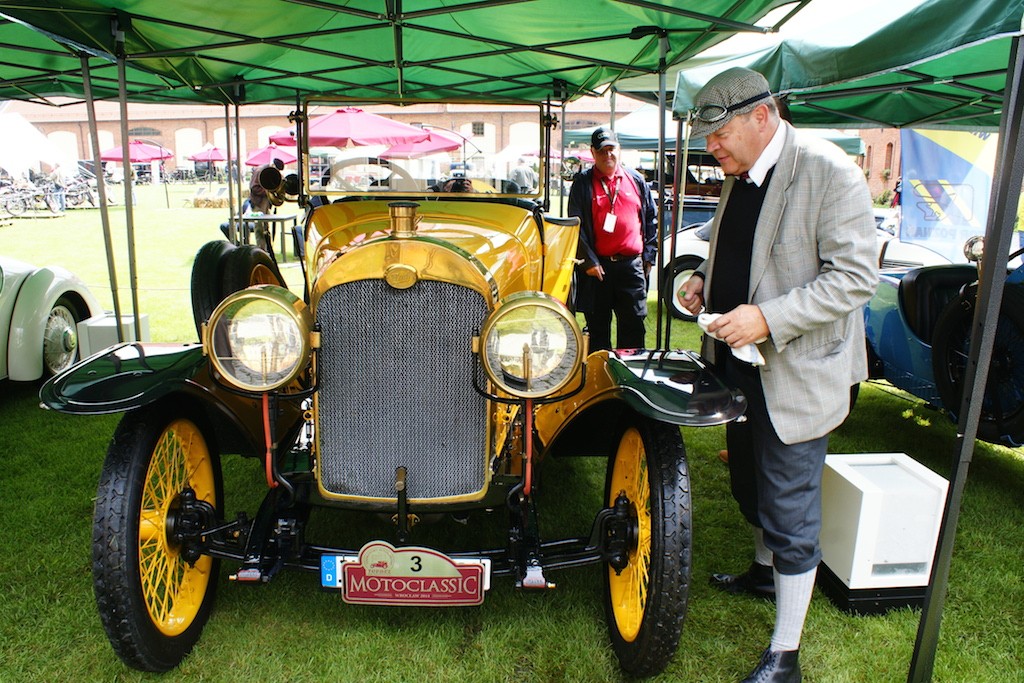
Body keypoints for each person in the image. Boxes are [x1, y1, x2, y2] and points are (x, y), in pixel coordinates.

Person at [678, 67, 877, 683]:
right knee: (749, 482)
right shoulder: (740, 174)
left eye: (719, 133)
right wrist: (703, 278)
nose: (711, 146)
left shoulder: (830, 171)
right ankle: (766, 575)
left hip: (798, 371)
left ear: (761, 116)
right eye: (706, 135)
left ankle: (785, 656)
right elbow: (734, 245)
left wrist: (767, 318)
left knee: (790, 507)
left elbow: (855, 278)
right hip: (739, 364)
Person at [568, 127, 657, 351]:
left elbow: (650, 218)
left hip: (631, 267)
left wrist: (648, 256)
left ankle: (630, 370)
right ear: (593, 152)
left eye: (611, 149)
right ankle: (601, 371)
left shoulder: (635, 180)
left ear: (619, 149)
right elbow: (575, 225)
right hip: (598, 269)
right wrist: (589, 262)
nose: (607, 155)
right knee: (598, 331)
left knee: (634, 328)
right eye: (601, 151)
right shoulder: (583, 183)